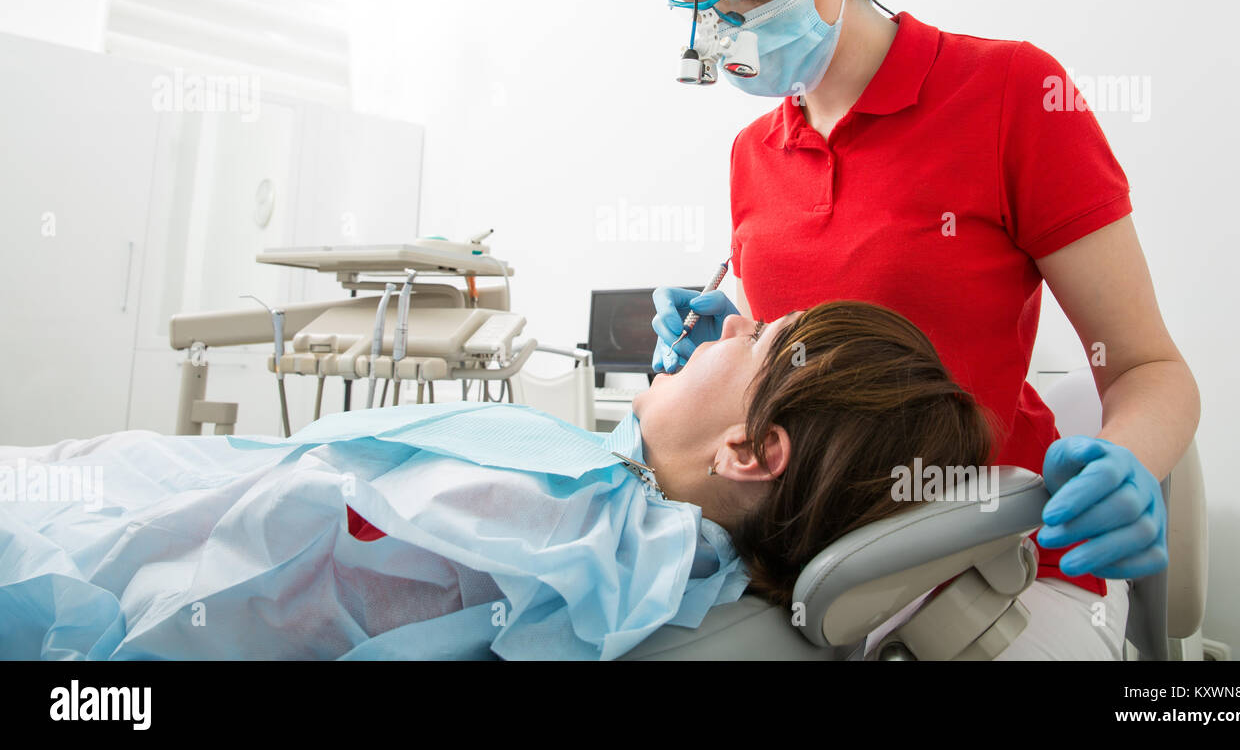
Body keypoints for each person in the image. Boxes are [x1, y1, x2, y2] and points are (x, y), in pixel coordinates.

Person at [644, 0, 1200, 659]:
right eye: (702, 9)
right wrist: (718, 343)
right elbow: (808, 365)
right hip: (814, 565)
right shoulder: (753, 152)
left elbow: (1149, 367)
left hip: (998, 553)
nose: (734, 30)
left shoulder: (1011, 90)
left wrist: (1127, 462)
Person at [0, 300, 993, 660]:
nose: (728, 322)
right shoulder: (649, 539)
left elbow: (223, 564)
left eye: (759, 337)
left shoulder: (562, 523)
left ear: (748, 451)